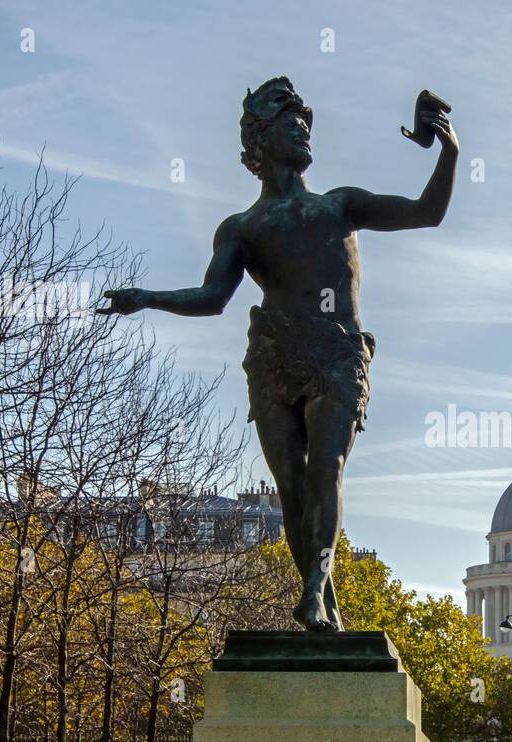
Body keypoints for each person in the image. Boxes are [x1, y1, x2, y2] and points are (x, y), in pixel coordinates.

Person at [100, 78, 458, 632]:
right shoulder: (242, 228)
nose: (305, 133)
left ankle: (314, 589)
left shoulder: (341, 205)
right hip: (272, 355)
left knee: (326, 469)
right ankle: (323, 599)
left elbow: (425, 213)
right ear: (261, 142)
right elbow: (213, 298)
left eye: (307, 125)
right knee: (290, 484)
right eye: (293, 125)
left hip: (336, 351)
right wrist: (147, 298)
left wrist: (450, 152)